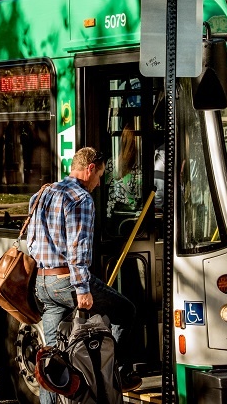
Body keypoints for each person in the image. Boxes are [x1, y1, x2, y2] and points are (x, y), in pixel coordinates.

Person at [28, 147, 141, 402]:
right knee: (125, 311)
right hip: (67, 281)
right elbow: (78, 249)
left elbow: (32, 240)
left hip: (43, 280)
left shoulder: (43, 192)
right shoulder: (80, 199)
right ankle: (117, 373)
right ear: (90, 168)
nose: (99, 183)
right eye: (100, 175)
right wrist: (82, 289)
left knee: (52, 357)